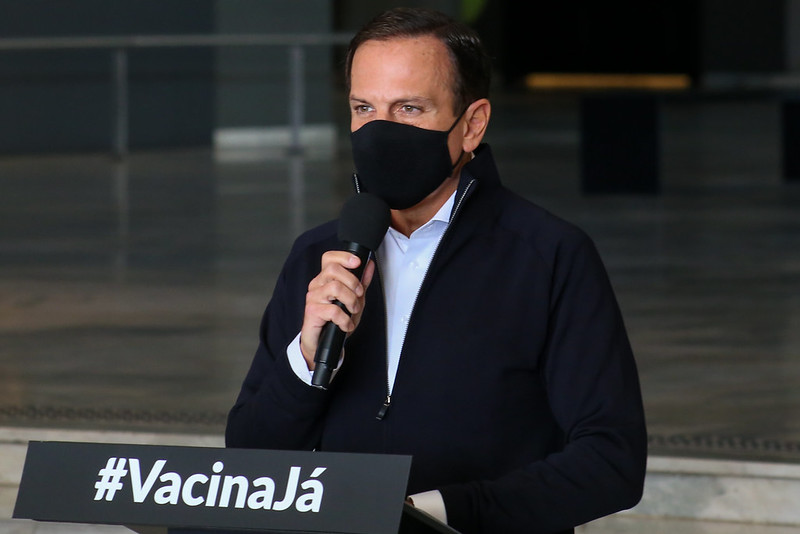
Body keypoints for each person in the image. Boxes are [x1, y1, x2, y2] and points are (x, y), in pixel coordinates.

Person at [226, 7, 647, 534]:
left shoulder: (550, 256)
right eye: (364, 108)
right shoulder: (319, 257)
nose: (380, 131)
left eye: (409, 108)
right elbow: (248, 461)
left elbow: (611, 461)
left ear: (472, 124)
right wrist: (306, 362)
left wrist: (443, 513)